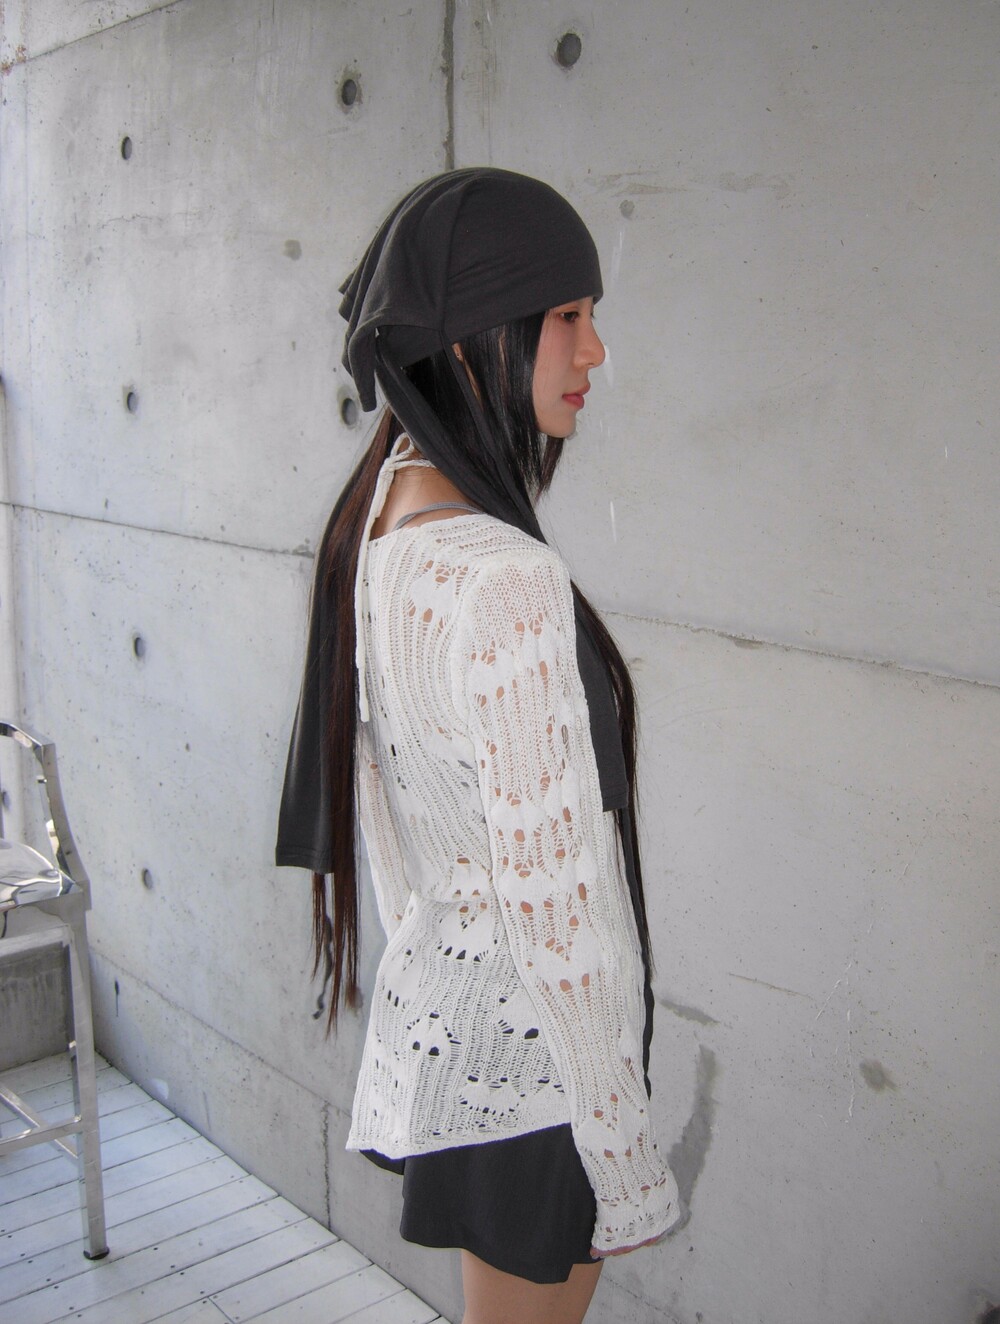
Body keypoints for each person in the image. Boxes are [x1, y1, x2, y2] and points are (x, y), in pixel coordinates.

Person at [276, 168, 681, 1324]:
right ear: (472, 337)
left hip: (465, 1040)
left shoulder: (386, 514)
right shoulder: (503, 579)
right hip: (543, 1080)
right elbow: (562, 911)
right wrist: (618, 1140)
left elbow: (394, 825)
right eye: (567, 317)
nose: (593, 352)